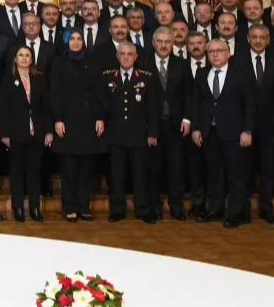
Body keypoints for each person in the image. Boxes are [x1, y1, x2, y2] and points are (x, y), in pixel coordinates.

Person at [190, 39, 257, 228]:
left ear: (228, 53)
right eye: (211, 51)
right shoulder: (202, 74)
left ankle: (237, 213)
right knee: (214, 174)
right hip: (209, 133)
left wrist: (247, 130)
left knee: (236, 175)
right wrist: (196, 128)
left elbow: (250, 105)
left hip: (235, 133)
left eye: (219, 50)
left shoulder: (240, 74)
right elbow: (196, 104)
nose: (215, 54)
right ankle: (215, 209)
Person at [100, 42, 159, 223]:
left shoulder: (146, 78)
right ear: (117, 56)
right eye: (123, 54)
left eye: (130, 54)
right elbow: (102, 105)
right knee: (116, 176)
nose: (126, 57)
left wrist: (152, 133)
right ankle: (117, 210)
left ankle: (143, 209)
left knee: (140, 175)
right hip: (115, 135)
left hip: (139, 135)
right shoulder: (108, 77)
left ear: (135, 57)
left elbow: (152, 109)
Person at [51, 31, 104, 222]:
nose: (75, 42)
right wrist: (58, 119)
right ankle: (70, 207)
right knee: (69, 170)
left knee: (85, 170)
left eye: (79, 39)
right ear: (67, 41)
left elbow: (99, 91)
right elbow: (55, 92)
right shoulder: (59, 62)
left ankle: (84, 207)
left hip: (88, 122)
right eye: (72, 39)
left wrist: (100, 117)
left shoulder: (93, 62)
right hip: (67, 122)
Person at [239, 23, 274, 224]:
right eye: (254, 37)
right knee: (244, 169)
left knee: (269, 169)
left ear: (268, 40)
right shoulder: (237, 60)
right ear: (248, 39)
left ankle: (267, 208)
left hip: (271, 124)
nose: (258, 41)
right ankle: (244, 209)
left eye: (262, 37)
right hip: (244, 125)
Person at [0, 45, 51, 222]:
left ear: (32, 59)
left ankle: (35, 208)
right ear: (15, 59)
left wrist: (49, 131)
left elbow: (47, 107)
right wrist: (5, 134)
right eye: (20, 55)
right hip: (16, 133)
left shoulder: (40, 79)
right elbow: (3, 108)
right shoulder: (8, 79)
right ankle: (18, 208)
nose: (24, 58)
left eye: (27, 55)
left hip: (37, 133)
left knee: (34, 173)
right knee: (17, 173)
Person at [146, 26, 193, 220]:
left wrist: (187, 118)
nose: (164, 45)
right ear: (153, 43)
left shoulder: (182, 64)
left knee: (176, 168)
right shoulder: (144, 63)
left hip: (176, 125)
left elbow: (189, 94)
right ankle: (154, 206)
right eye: (160, 41)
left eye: (167, 42)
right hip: (153, 125)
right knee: (154, 168)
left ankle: (176, 206)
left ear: (173, 43)